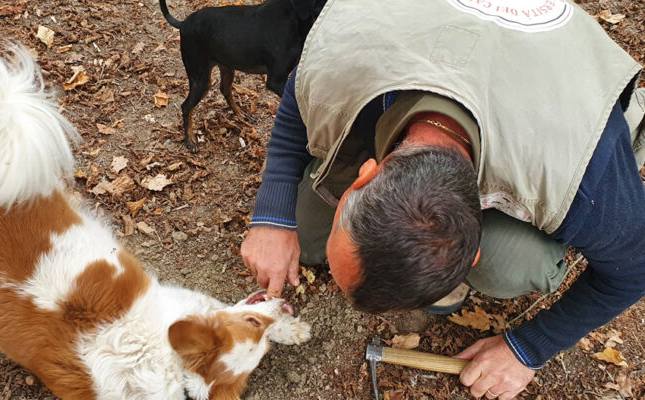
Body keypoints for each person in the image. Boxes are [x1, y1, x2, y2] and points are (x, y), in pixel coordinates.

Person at [241, 1, 645, 398]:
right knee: (308, 234)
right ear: (367, 173)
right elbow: (301, 91)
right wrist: (272, 215)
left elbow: (634, 270)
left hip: (556, 86)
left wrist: (527, 349)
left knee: (511, 267)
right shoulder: (343, 61)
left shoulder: (581, 173)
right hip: (413, 34)